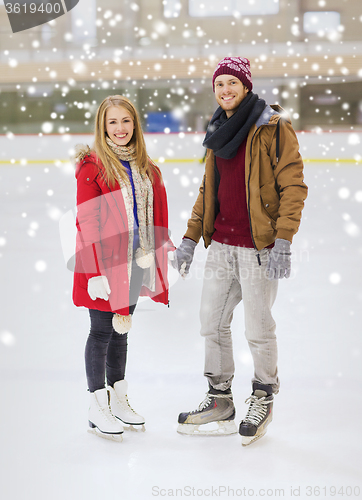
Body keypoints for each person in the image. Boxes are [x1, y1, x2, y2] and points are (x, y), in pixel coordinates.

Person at [172, 57, 308, 445]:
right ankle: (220, 399)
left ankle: (263, 395)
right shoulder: (218, 130)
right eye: (220, 84)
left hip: (258, 247)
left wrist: (283, 240)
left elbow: (293, 187)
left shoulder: (273, 128)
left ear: (246, 86)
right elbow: (208, 193)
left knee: (258, 328)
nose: (226, 90)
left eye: (233, 83)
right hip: (222, 246)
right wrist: (189, 239)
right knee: (210, 323)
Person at [72, 95, 172, 441]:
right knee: (101, 331)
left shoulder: (146, 167)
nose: (120, 129)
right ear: (103, 126)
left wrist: (156, 256)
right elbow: (87, 222)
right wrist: (95, 272)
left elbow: (157, 217)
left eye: (125, 121)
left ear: (135, 124)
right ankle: (96, 404)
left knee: (121, 332)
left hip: (135, 262)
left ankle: (118, 399)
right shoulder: (93, 166)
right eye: (112, 122)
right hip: (104, 266)